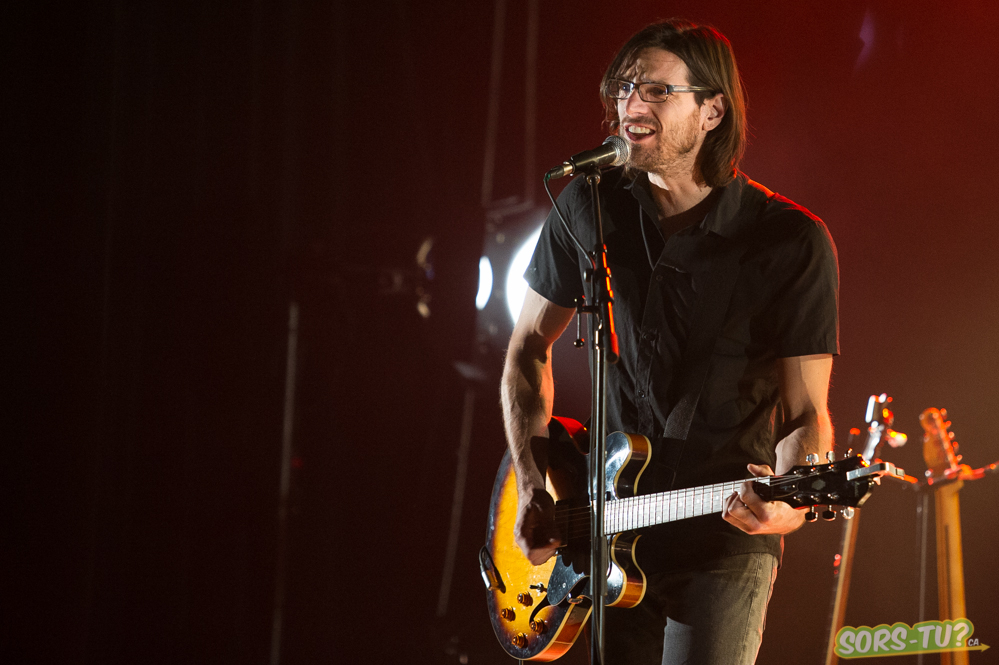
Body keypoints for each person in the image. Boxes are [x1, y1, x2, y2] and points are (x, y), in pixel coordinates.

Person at [499, 19, 839, 665]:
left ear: (712, 111)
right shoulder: (589, 205)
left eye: (656, 90)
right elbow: (526, 349)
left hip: (722, 537)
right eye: (624, 87)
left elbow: (805, 412)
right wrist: (533, 481)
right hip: (604, 524)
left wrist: (790, 503)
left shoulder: (787, 240)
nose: (630, 104)